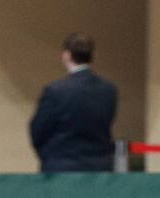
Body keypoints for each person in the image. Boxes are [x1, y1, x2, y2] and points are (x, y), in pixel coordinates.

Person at [29, 33, 118, 173]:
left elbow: (38, 129)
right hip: (100, 167)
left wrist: (48, 156)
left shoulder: (55, 91)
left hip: (62, 166)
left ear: (67, 55)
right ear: (92, 55)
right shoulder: (109, 90)